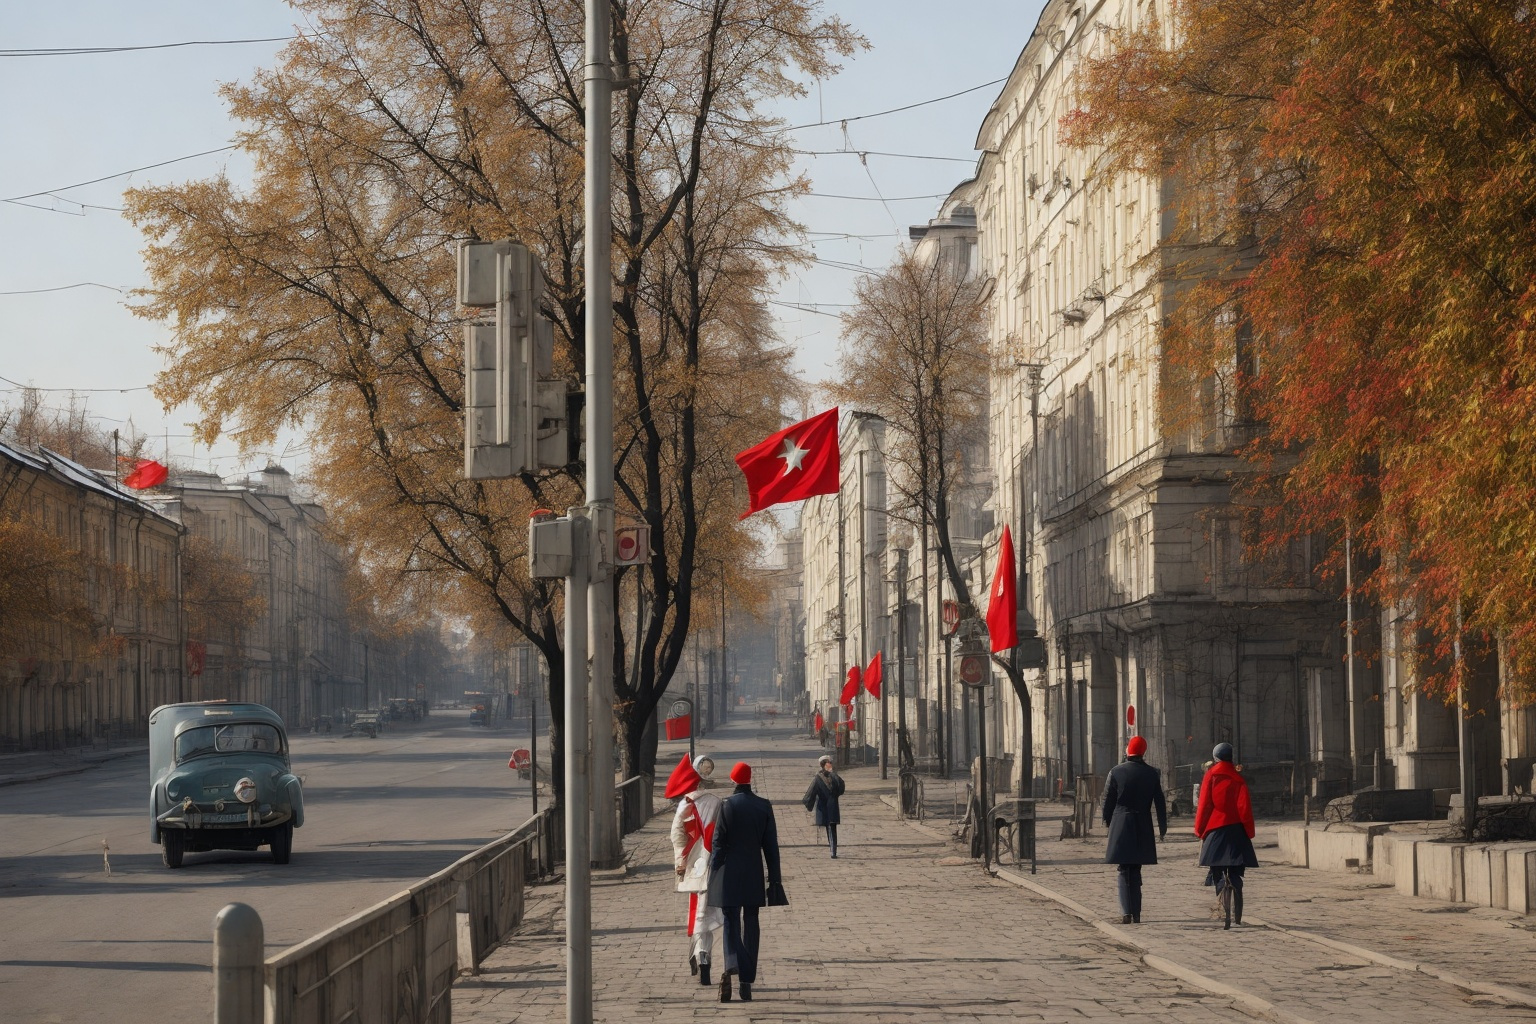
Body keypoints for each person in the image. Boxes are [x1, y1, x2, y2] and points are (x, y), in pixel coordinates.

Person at [707, 761, 784, 1003]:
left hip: (729, 873)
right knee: (752, 923)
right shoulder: (763, 806)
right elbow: (771, 848)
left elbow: (718, 843)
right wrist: (775, 880)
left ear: (733, 780)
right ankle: (747, 982)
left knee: (730, 920)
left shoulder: (726, 806)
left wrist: (713, 872)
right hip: (753, 872)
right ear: (749, 780)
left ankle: (732, 962)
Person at [666, 753, 725, 986]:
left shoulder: (685, 804)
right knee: (707, 909)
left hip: (695, 864)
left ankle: (701, 954)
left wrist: (681, 860)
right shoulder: (717, 802)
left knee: (699, 910)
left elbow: (676, 835)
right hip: (715, 863)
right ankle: (704, 954)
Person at [1101, 735, 1167, 924]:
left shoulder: (1115, 772)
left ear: (1128, 750)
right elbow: (1160, 802)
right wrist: (1162, 827)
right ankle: (1136, 912)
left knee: (1123, 869)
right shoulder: (1153, 773)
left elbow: (1108, 800)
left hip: (1121, 822)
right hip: (1142, 823)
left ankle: (1126, 912)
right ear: (1143, 751)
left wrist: (1107, 821)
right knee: (1136, 868)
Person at [1195, 742, 1258, 929]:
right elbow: (1245, 808)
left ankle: (1222, 893)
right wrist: (1249, 831)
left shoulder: (1211, 776)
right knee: (1237, 870)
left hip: (1216, 829)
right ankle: (1236, 892)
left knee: (1217, 869)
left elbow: (1205, 805)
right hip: (1237, 829)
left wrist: (1199, 829)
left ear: (1215, 758)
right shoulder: (1238, 779)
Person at [802, 753, 845, 857]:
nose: (830, 765)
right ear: (824, 764)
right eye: (828, 763)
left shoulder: (834, 777)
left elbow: (841, 789)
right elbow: (811, 792)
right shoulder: (818, 778)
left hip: (831, 806)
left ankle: (833, 851)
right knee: (829, 827)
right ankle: (832, 850)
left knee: (831, 827)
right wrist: (809, 803)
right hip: (824, 807)